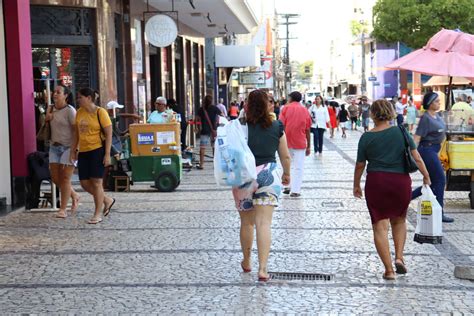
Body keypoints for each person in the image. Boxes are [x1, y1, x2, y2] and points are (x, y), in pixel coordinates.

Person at [353, 99, 431, 280]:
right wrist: (426, 176)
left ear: (372, 114)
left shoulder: (366, 137)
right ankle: (400, 258)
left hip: (377, 182)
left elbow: (359, 165)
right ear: (390, 112)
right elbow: (416, 156)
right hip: (400, 182)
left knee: (379, 226)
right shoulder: (401, 132)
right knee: (399, 220)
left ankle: (388, 270)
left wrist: (356, 184)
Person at [232, 89, 291, 282]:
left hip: (244, 176)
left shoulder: (239, 127)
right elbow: (285, 155)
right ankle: (263, 269)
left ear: (247, 105)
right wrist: (287, 173)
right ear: (267, 105)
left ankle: (247, 261)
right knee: (264, 223)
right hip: (268, 174)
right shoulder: (276, 126)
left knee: (247, 222)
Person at [70, 88, 115, 224]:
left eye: (80, 97)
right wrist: (73, 150)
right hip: (83, 151)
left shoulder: (100, 112)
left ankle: (97, 214)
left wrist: (107, 154)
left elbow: (109, 134)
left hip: (98, 150)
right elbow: (76, 134)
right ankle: (107, 200)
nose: (78, 100)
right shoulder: (79, 113)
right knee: (84, 183)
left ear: (89, 98)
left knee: (96, 182)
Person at [411, 92, 454, 223]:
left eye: (439, 101)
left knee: (433, 182)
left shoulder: (438, 116)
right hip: (426, 150)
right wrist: (412, 155)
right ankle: (439, 213)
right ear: (429, 104)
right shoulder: (426, 118)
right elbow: (417, 138)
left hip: (434, 151)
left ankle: (406, 197)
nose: (439, 103)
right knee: (440, 180)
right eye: (436, 101)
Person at [45, 85, 80, 218]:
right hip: (54, 146)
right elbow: (43, 127)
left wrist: (75, 149)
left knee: (65, 179)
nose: (55, 94)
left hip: (68, 147)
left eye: (58, 92)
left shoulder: (70, 111)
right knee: (55, 178)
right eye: (54, 92)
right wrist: (46, 118)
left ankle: (63, 209)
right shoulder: (50, 108)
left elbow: (76, 131)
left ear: (65, 96)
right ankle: (74, 195)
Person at [279, 91, 311, 197]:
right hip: (300, 142)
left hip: (286, 141)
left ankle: (286, 186)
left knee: (286, 164)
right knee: (298, 166)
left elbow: (280, 125)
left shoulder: (285, 108)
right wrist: (309, 145)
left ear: (291, 98)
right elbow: (307, 129)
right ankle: (296, 190)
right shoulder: (305, 110)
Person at [196, 95, 220, 169]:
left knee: (202, 148)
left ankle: (201, 164)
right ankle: (215, 165)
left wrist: (198, 128)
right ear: (211, 101)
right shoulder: (215, 108)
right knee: (214, 147)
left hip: (204, 131)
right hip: (214, 130)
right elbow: (221, 116)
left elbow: (197, 119)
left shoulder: (201, 109)